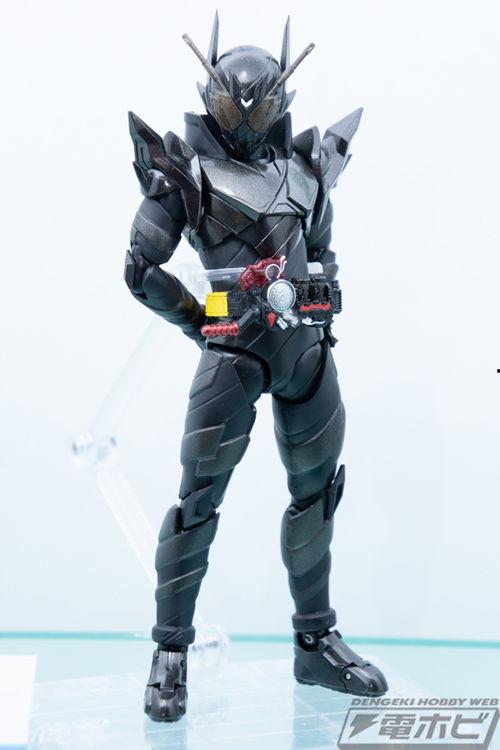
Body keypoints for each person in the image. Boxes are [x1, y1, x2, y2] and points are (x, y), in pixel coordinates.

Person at [125, 14, 388, 722]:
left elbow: (322, 258)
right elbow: (141, 268)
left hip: (304, 355)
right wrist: (205, 319)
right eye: (233, 105)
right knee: (197, 504)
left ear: (280, 101)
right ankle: (170, 651)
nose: (244, 118)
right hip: (232, 358)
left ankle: (315, 641)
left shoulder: (306, 171)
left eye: (258, 106)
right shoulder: (186, 173)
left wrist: (317, 302)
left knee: (316, 498)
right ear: (209, 98)